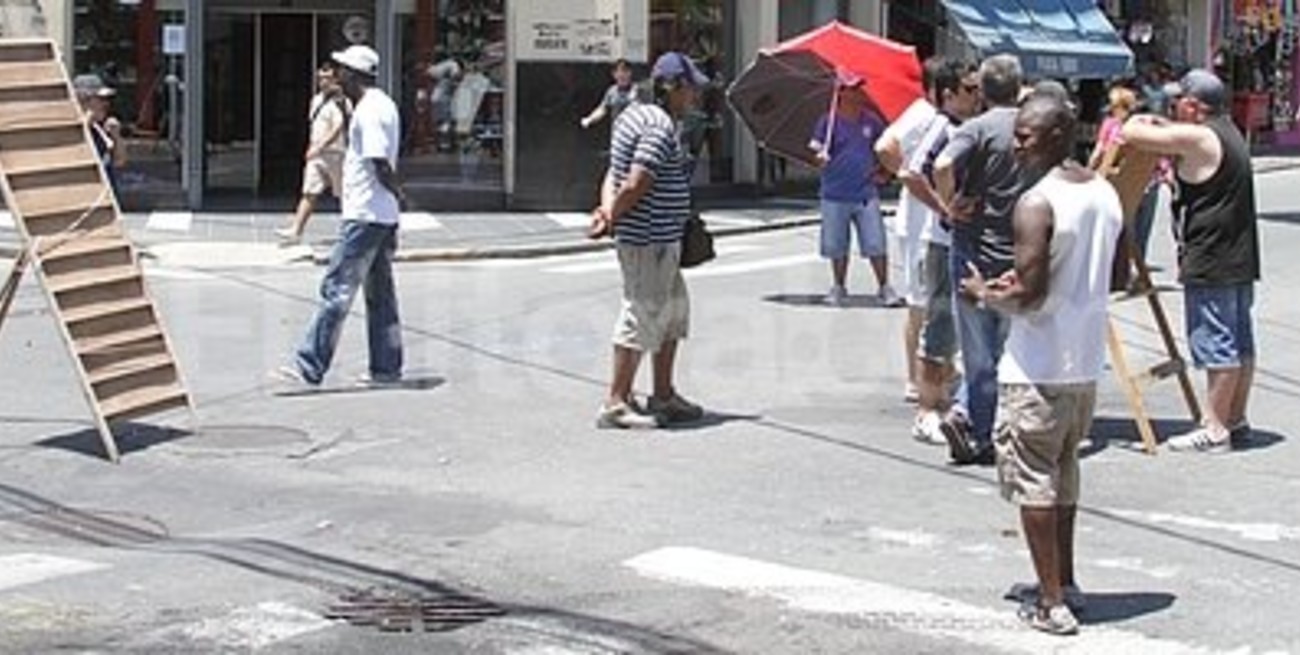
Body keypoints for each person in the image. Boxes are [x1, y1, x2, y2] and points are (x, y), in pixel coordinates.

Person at [960, 91, 1123, 636]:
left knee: (1034, 484)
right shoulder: (1105, 193)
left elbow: (1028, 298)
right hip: (1083, 364)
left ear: (1056, 135)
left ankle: (1051, 602)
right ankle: (1065, 582)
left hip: (1037, 365)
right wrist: (1036, 282)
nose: (1016, 144)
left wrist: (986, 293)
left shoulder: (1035, 202)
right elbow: (1114, 277)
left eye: (1025, 136)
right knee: (1063, 480)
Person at [1120, 69, 1261, 453]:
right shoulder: (1227, 131)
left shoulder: (1199, 136)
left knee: (1217, 343)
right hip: (1238, 255)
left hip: (1212, 254)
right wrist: (1163, 121)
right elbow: (1174, 135)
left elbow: (1132, 133)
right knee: (1239, 341)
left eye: (1177, 100)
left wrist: (1139, 116)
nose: (1172, 106)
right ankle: (1235, 417)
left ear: (1194, 105)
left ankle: (1214, 427)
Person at [587, 51, 707, 430]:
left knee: (672, 312)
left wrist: (608, 212)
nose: (694, 98)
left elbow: (613, 173)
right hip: (650, 239)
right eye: (689, 90)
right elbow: (637, 180)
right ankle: (616, 401)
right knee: (641, 312)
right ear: (671, 89)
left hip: (657, 237)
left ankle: (664, 394)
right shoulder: (657, 125)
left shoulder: (632, 115)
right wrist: (613, 214)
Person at [276, 45, 405, 388]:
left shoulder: (370, 111)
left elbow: (379, 163)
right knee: (380, 295)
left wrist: (399, 194)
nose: (334, 76)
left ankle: (309, 365)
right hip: (380, 215)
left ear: (353, 74)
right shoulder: (378, 104)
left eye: (340, 70)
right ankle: (386, 368)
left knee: (337, 289)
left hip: (365, 215)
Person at [933, 54, 1033, 465]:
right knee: (1011, 349)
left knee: (977, 351)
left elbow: (940, 164)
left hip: (973, 250)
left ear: (984, 91)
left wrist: (948, 205)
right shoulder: (1032, 130)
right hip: (1019, 251)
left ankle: (973, 422)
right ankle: (990, 428)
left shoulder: (975, 128)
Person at [897, 59, 982, 446]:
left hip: (958, 240)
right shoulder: (943, 127)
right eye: (969, 88)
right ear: (948, 94)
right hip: (943, 241)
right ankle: (926, 410)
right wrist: (943, 207)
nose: (975, 94)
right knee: (940, 325)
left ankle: (944, 401)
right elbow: (911, 173)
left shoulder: (964, 128)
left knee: (955, 326)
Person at [876, 56, 944, 404]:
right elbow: (884, 146)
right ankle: (914, 378)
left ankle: (927, 373)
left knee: (929, 301)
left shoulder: (936, 116)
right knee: (919, 302)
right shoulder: (923, 113)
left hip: (927, 219)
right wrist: (907, 173)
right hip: (918, 221)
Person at [809, 76, 897, 307]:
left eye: (860, 88)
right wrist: (820, 159)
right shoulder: (827, 122)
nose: (860, 93)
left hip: (866, 193)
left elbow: (888, 148)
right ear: (842, 93)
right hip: (834, 193)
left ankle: (884, 286)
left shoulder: (872, 121)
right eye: (854, 89)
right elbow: (815, 151)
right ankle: (839, 286)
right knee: (836, 244)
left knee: (876, 241)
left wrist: (885, 173)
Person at [277, 63, 350, 245]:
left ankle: (350, 230)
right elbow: (314, 126)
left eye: (327, 78)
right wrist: (312, 146)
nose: (323, 82)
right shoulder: (316, 100)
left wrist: (321, 146)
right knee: (309, 191)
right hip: (317, 154)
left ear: (335, 79)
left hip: (336, 153)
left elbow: (337, 127)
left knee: (343, 195)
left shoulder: (342, 101)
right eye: (320, 78)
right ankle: (296, 230)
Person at [74, 74, 127, 197]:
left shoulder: (102, 128)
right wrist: (86, 124)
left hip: (107, 196)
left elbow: (119, 161)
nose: (106, 104)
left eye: (107, 100)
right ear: (83, 100)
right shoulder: (73, 128)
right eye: (100, 99)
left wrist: (116, 136)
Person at [580, 59, 646, 130]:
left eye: (625, 71)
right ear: (614, 75)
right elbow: (603, 109)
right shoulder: (612, 91)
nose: (622, 75)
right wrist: (590, 119)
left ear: (630, 73)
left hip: (635, 133)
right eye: (618, 72)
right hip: (617, 133)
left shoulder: (639, 90)